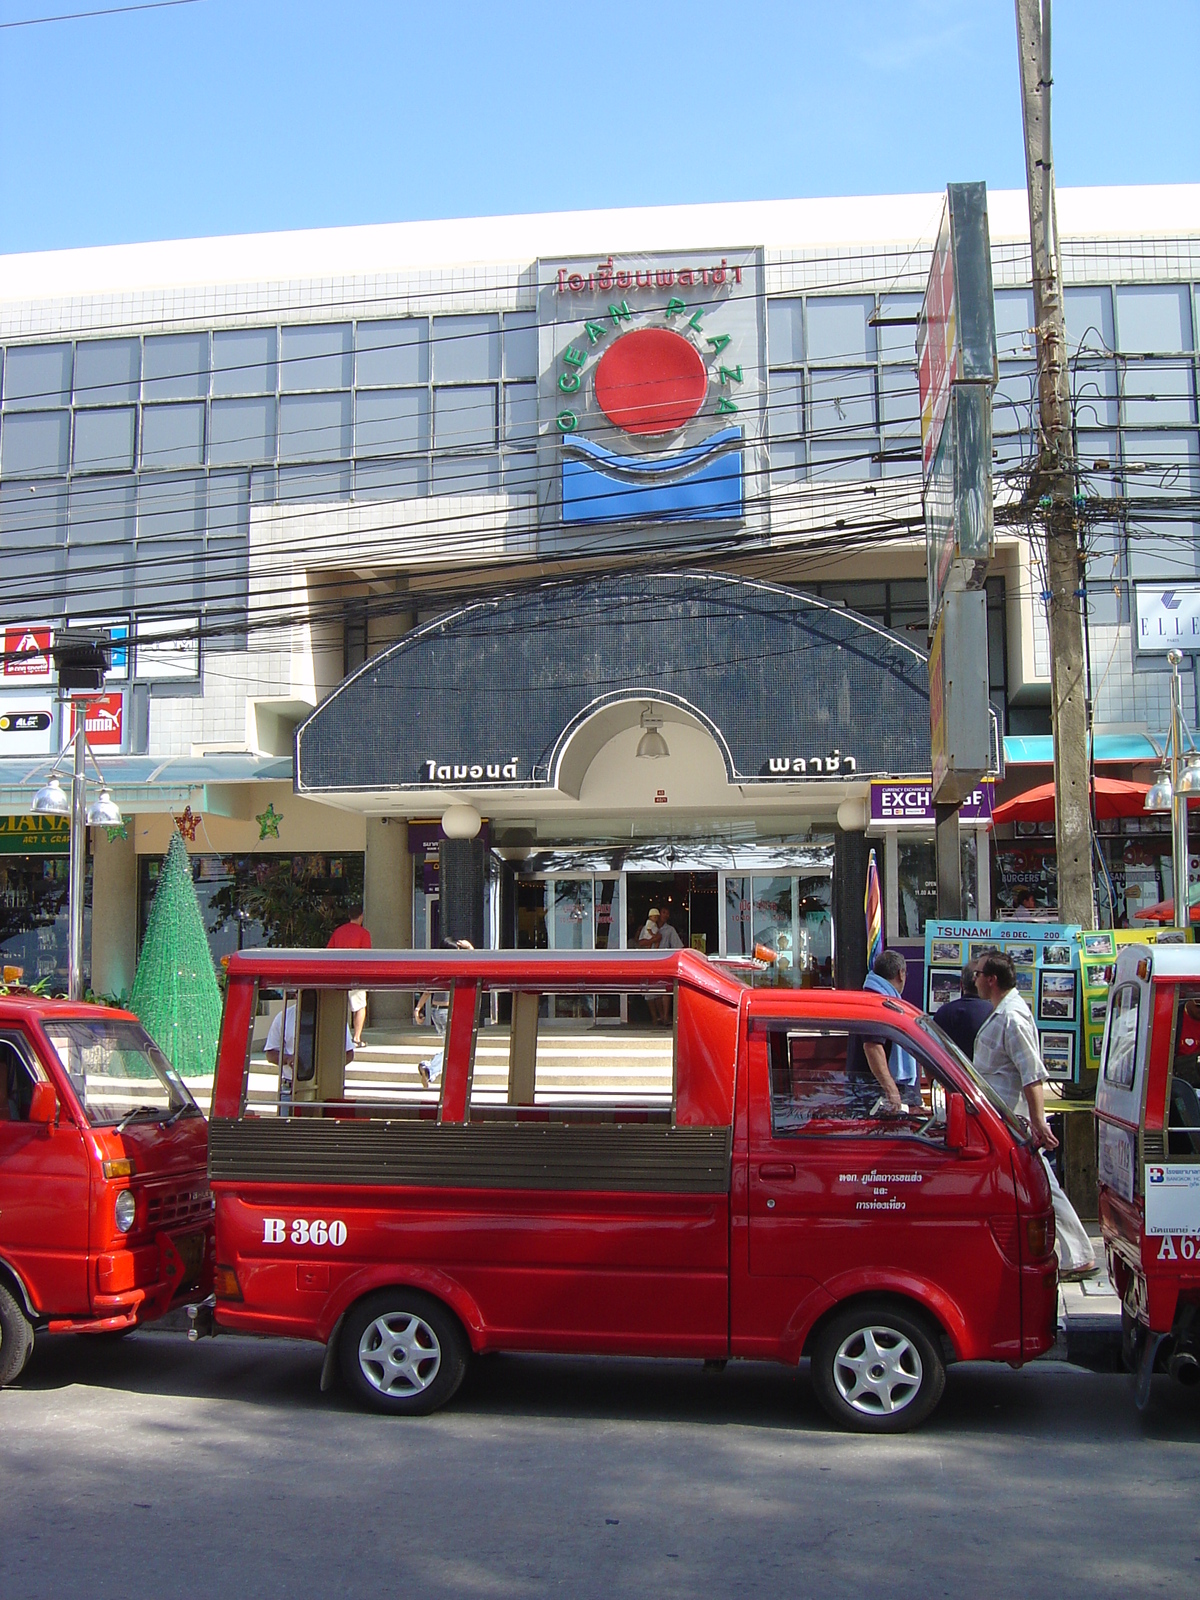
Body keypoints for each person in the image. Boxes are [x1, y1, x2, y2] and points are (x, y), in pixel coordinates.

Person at [973, 952, 1095, 1278]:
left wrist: (1039, 1122)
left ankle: (1078, 1254)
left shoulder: (1012, 1018)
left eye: (978, 974)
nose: (975, 980)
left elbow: (1031, 1073)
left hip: (1013, 1120)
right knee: (1037, 1184)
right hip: (1001, 1118)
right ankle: (1074, 1252)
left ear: (992, 979)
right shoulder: (1002, 1013)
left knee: (1042, 1184)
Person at [850, 949, 922, 1115]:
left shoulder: (882, 999)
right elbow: (872, 1046)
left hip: (876, 1095)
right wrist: (891, 1090)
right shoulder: (878, 1002)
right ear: (901, 974)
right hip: (877, 1098)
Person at [414, 937, 474, 1089]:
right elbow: (476, 964)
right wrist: (470, 948)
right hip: (448, 1012)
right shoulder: (455, 967)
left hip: (436, 1011)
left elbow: (428, 991)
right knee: (454, 1049)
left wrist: (417, 1009)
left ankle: (432, 1072)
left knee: (452, 1047)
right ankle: (429, 1067)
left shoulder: (438, 967)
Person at [327, 902, 372, 1046]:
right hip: (356, 975)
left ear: (348, 916)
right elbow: (367, 956)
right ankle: (356, 1038)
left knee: (341, 1008)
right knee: (359, 1006)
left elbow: (329, 952)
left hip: (338, 975)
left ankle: (340, 1038)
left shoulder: (338, 931)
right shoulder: (364, 933)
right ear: (361, 917)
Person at [933, 960, 992, 1059]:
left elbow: (933, 1051)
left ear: (961, 984)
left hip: (948, 1072)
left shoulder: (943, 1013)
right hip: (981, 1073)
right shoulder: (993, 1013)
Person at [651, 907, 684, 1024]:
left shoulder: (670, 930)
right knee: (655, 991)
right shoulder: (649, 927)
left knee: (665, 989)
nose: (666, 915)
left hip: (664, 962)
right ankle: (660, 1016)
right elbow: (641, 941)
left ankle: (665, 1016)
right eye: (664, 912)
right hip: (651, 961)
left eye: (668, 913)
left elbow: (678, 946)